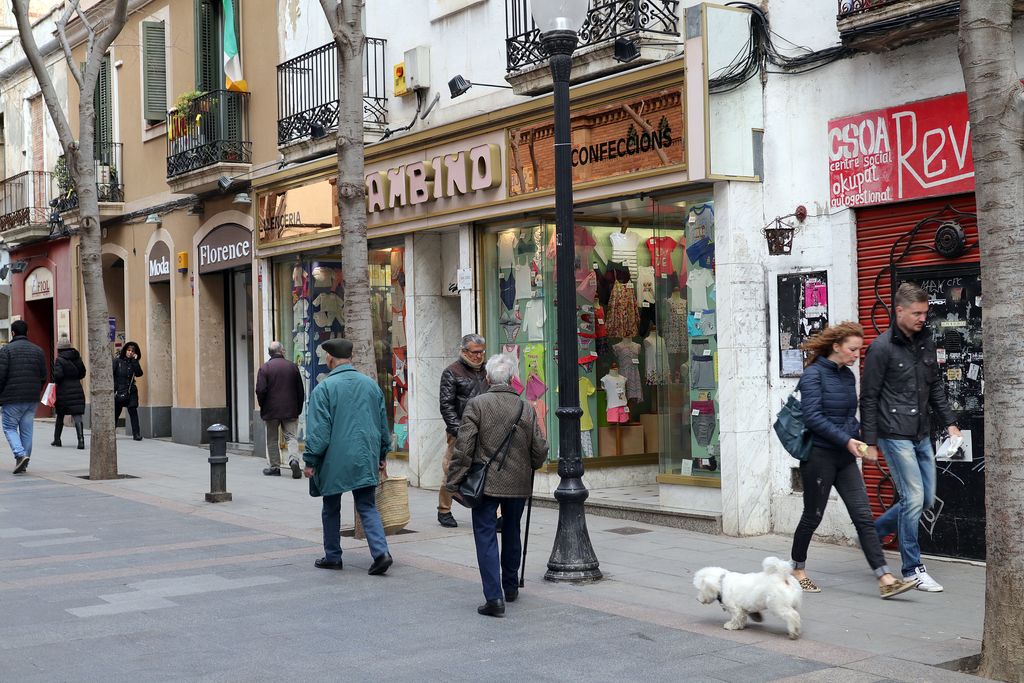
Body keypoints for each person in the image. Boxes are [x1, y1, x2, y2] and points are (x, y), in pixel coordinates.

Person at [789, 322, 918, 600]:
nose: (856, 355)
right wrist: (846, 440)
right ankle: (797, 570)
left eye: (859, 349)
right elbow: (813, 418)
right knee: (813, 516)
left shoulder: (847, 376)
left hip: (845, 458)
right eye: (852, 349)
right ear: (836, 346)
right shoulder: (812, 375)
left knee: (863, 517)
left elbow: (848, 416)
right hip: (819, 457)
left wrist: (861, 440)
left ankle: (884, 578)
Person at [861, 282, 960, 592]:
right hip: (894, 433)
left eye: (924, 313)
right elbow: (869, 396)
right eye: (916, 313)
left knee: (925, 497)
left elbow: (934, 388)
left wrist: (951, 425)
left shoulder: (926, 343)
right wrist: (871, 441)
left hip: (921, 432)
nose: (922, 318)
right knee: (914, 497)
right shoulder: (880, 348)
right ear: (899, 310)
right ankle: (912, 568)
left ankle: (872, 534)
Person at [445, 353, 548, 617]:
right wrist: (532, 464)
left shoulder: (476, 405)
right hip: (517, 482)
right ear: (513, 379)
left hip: (485, 483)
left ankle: (494, 597)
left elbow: (464, 448)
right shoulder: (526, 407)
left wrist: (453, 481)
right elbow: (539, 448)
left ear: (488, 378)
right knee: (512, 529)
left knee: (486, 535)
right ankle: (510, 587)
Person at [302, 338, 393, 576]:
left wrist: (310, 460)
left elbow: (319, 432)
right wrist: (382, 453)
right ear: (349, 357)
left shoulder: (324, 389)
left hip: (334, 459)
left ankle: (333, 556)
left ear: (330, 358)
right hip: (365, 456)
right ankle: (381, 552)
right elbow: (383, 424)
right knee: (367, 505)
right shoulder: (371, 385)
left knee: (331, 506)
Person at [437, 333, 488, 528]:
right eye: (475, 352)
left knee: (486, 469)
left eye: (481, 352)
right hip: (460, 431)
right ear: (464, 351)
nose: (478, 356)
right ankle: (444, 509)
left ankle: (496, 513)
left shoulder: (487, 371)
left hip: (485, 429)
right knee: (452, 468)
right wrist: (458, 430)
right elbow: (446, 405)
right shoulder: (452, 372)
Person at [0, 319, 47, 474]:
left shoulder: (6, 351)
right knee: (27, 430)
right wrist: (36, 391)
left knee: (9, 427)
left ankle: (20, 455)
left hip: (12, 398)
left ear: (13, 333)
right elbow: (43, 376)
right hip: (31, 398)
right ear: (26, 332)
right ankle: (24, 461)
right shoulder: (38, 350)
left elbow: (1, 376)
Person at [255, 341, 305, 478]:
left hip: (271, 411)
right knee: (291, 437)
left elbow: (260, 390)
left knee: (272, 439)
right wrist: (298, 408)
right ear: (282, 351)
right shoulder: (292, 367)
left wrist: (263, 406)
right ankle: (294, 460)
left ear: (269, 353)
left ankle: (274, 467)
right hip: (290, 409)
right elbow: (300, 391)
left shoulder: (265, 368)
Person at [51, 335, 87, 450]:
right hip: (77, 388)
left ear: (59, 349)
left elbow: (58, 376)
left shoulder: (59, 360)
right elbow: (83, 373)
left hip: (64, 390)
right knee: (77, 415)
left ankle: (57, 439)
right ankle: (81, 440)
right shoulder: (77, 357)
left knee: (60, 415)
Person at [113, 341, 145, 441]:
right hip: (120, 390)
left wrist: (135, 361)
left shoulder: (134, 362)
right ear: (125, 351)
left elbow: (139, 374)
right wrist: (115, 388)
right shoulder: (117, 361)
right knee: (116, 413)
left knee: (133, 410)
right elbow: (112, 375)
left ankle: (136, 434)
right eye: (129, 350)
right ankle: (111, 433)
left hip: (131, 390)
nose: (130, 352)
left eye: (132, 351)